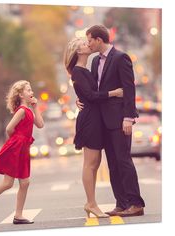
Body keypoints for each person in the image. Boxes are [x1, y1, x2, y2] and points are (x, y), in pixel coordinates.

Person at [77, 25, 145, 217]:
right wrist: (80, 98)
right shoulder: (94, 61)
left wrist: (128, 118)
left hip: (119, 120)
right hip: (103, 121)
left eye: (89, 39)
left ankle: (135, 203)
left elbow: (129, 90)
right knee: (113, 164)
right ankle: (121, 203)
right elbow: (93, 91)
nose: (88, 43)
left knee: (123, 161)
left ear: (99, 40)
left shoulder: (120, 57)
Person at [64, 37, 123, 218]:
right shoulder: (78, 72)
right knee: (90, 164)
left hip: (95, 118)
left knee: (95, 163)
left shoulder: (84, 70)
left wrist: (80, 97)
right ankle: (91, 203)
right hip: (89, 120)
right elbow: (90, 95)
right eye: (84, 43)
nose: (88, 44)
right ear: (79, 51)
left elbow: (86, 93)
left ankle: (91, 203)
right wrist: (114, 93)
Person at [0, 80, 44, 225]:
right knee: (8, 183)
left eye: (31, 90)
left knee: (24, 183)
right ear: (21, 95)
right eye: (28, 90)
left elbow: (40, 125)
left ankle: (18, 215)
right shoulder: (22, 111)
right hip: (17, 147)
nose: (32, 92)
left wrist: (36, 107)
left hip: (23, 148)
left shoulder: (29, 110)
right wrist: (17, 140)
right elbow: (9, 128)